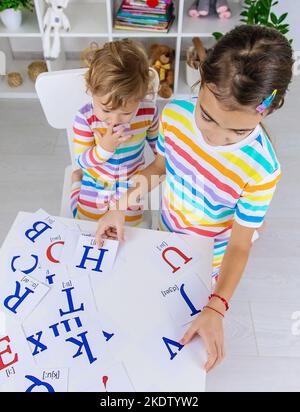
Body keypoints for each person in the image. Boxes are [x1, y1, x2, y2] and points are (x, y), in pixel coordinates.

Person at [95, 25, 294, 372]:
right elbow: (160, 166)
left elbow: (239, 246)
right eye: (207, 116)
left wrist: (216, 307)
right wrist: (119, 205)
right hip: (167, 229)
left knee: (178, 334)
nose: (215, 138)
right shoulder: (174, 115)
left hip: (211, 257)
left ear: (267, 110)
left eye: (238, 131)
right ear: (202, 80)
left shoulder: (263, 168)